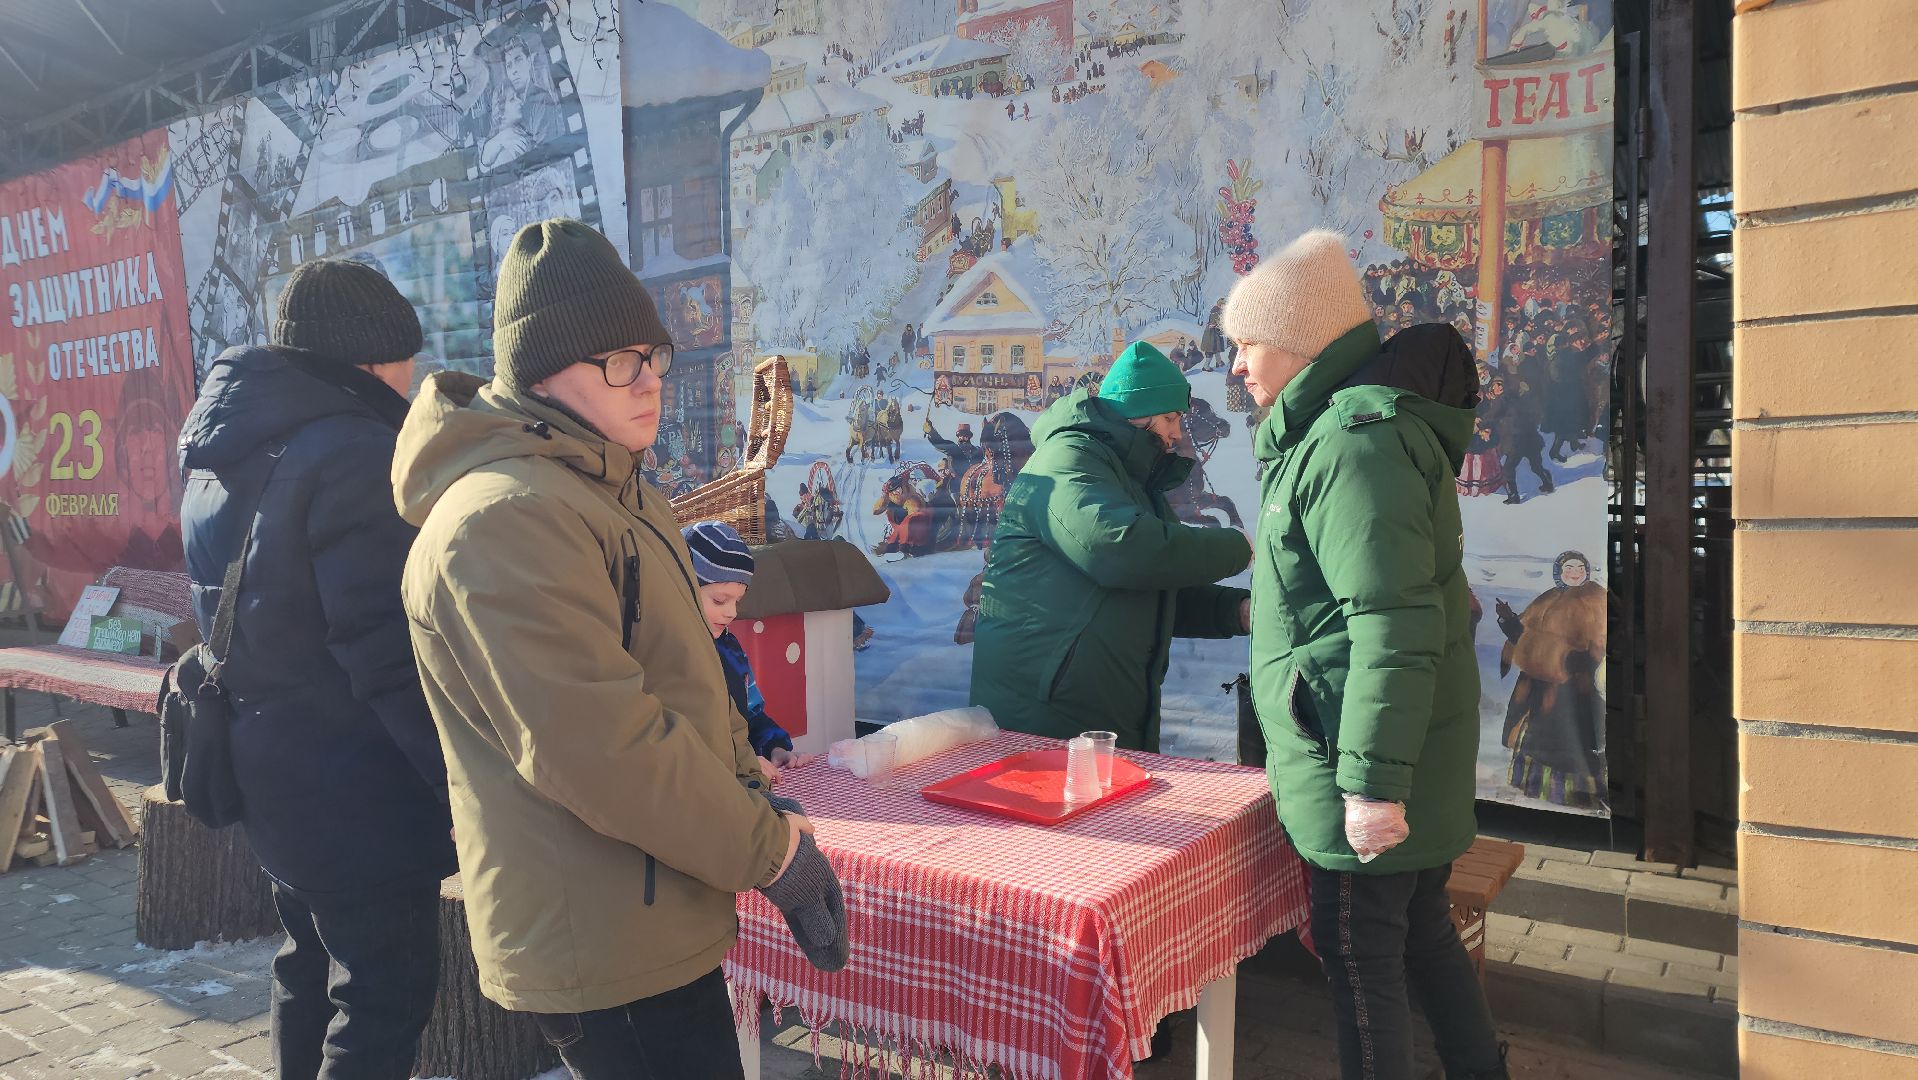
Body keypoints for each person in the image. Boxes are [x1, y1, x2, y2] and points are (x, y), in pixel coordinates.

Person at [395, 219, 846, 1078]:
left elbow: (690, 682)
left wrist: (754, 795)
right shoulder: (506, 518)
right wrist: (770, 851)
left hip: (648, 905)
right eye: (617, 360)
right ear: (540, 371)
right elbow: (604, 750)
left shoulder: (612, 489)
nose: (649, 380)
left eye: (653, 355)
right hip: (601, 937)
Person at [1226, 230, 1507, 1080]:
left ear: (1299, 341)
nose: (1236, 365)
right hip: (1372, 743)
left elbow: (1392, 621)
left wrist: (1372, 785)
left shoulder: (1351, 442)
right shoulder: (1331, 435)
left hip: (1362, 757)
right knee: (1420, 931)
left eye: (1248, 343)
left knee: (1363, 960)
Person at [177, 259, 454, 1079]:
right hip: (357, 790)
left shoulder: (226, 442)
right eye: (408, 359)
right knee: (380, 999)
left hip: (274, 776)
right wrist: (459, 781)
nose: (415, 379)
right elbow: (386, 653)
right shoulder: (357, 452)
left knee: (307, 968)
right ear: (371, 360)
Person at [969, 342, 1252, 752]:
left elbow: (1157, 592)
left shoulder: (1132, 481)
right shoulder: (1066, 458)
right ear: (1139, 413)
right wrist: (1237, 548)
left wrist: (1237, 611)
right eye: (1170, 418)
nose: (1177, 433)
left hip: (1100, 716)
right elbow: (1118, 551)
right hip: (1045, 721)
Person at [683, 521, 816, 774]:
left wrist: (773, 748)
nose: (731, 612)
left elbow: (750, 716)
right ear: (682, 588)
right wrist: (739, 762)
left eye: (738, 601)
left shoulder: (730, 649)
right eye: (720, 600)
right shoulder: (665, 655)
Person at [1496, 551, 1607, 811]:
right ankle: (1535, 787)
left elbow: (1596, 645)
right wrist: (1508, 619)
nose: (1574, 572)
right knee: (1536, 739)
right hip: (1540, 686)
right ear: (1559, 571)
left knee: (1566, 742)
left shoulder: (1594, 599)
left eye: (1579, 567)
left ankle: (1573, 794)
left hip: (1570, 687)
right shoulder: (1548, 597)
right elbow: (1523, 635)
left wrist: (1562, 660)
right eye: (1569, 567)